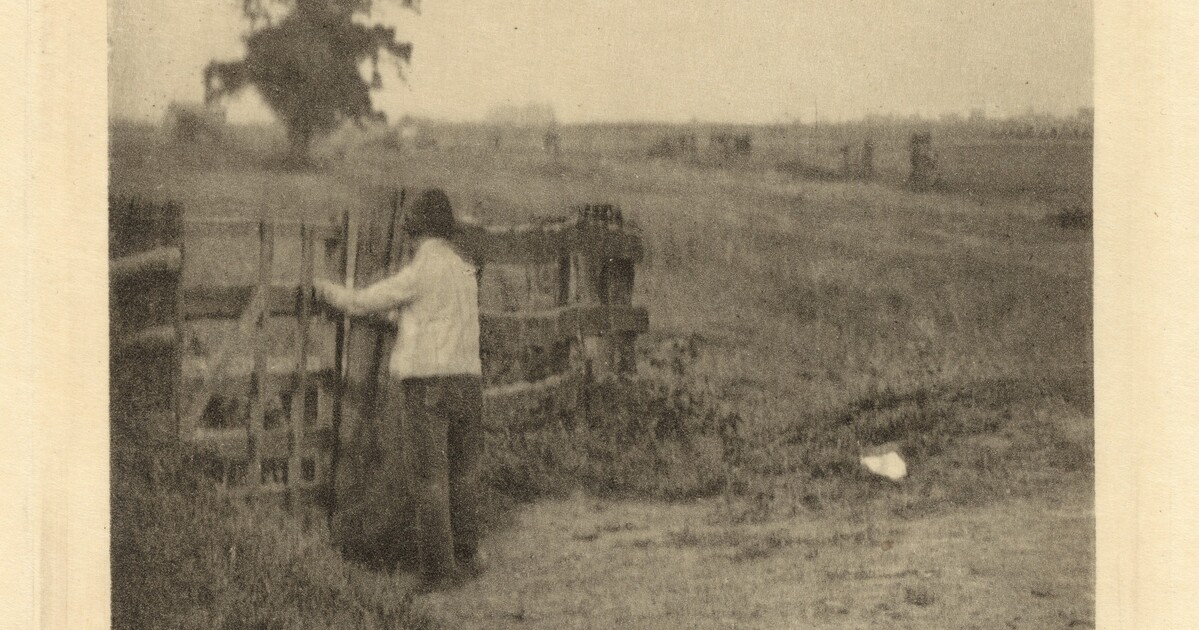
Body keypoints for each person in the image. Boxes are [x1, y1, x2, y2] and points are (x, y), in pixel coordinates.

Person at [315, 188, 484, 589]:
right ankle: (468, 557)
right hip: (468, 381)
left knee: (430, 478)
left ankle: (439, 573)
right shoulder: (464, 270)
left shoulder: (420, 271)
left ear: (417, 231)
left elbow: (360, 303)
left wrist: (325, 290)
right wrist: (402, 319)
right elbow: (436, 316)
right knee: (463, 474)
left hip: (429, 384)